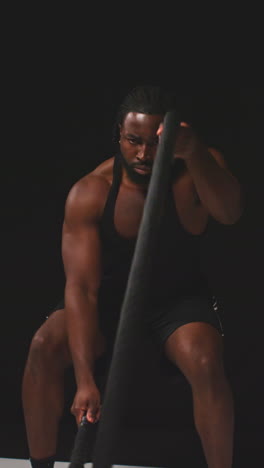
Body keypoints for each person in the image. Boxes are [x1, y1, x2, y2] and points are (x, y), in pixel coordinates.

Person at [22, 85, 243, 468]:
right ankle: (40, 465)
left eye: (154, 143)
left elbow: (229, 213)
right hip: (105, 302)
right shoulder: (92, 191)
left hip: (175, 301)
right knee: (43, 346)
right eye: (132, 141)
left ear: (173, 137)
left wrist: (193, 152)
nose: (143, 155)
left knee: (206, 361)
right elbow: (82, 289)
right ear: (118, 136)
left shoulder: (197, 169)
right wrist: (86, 380)